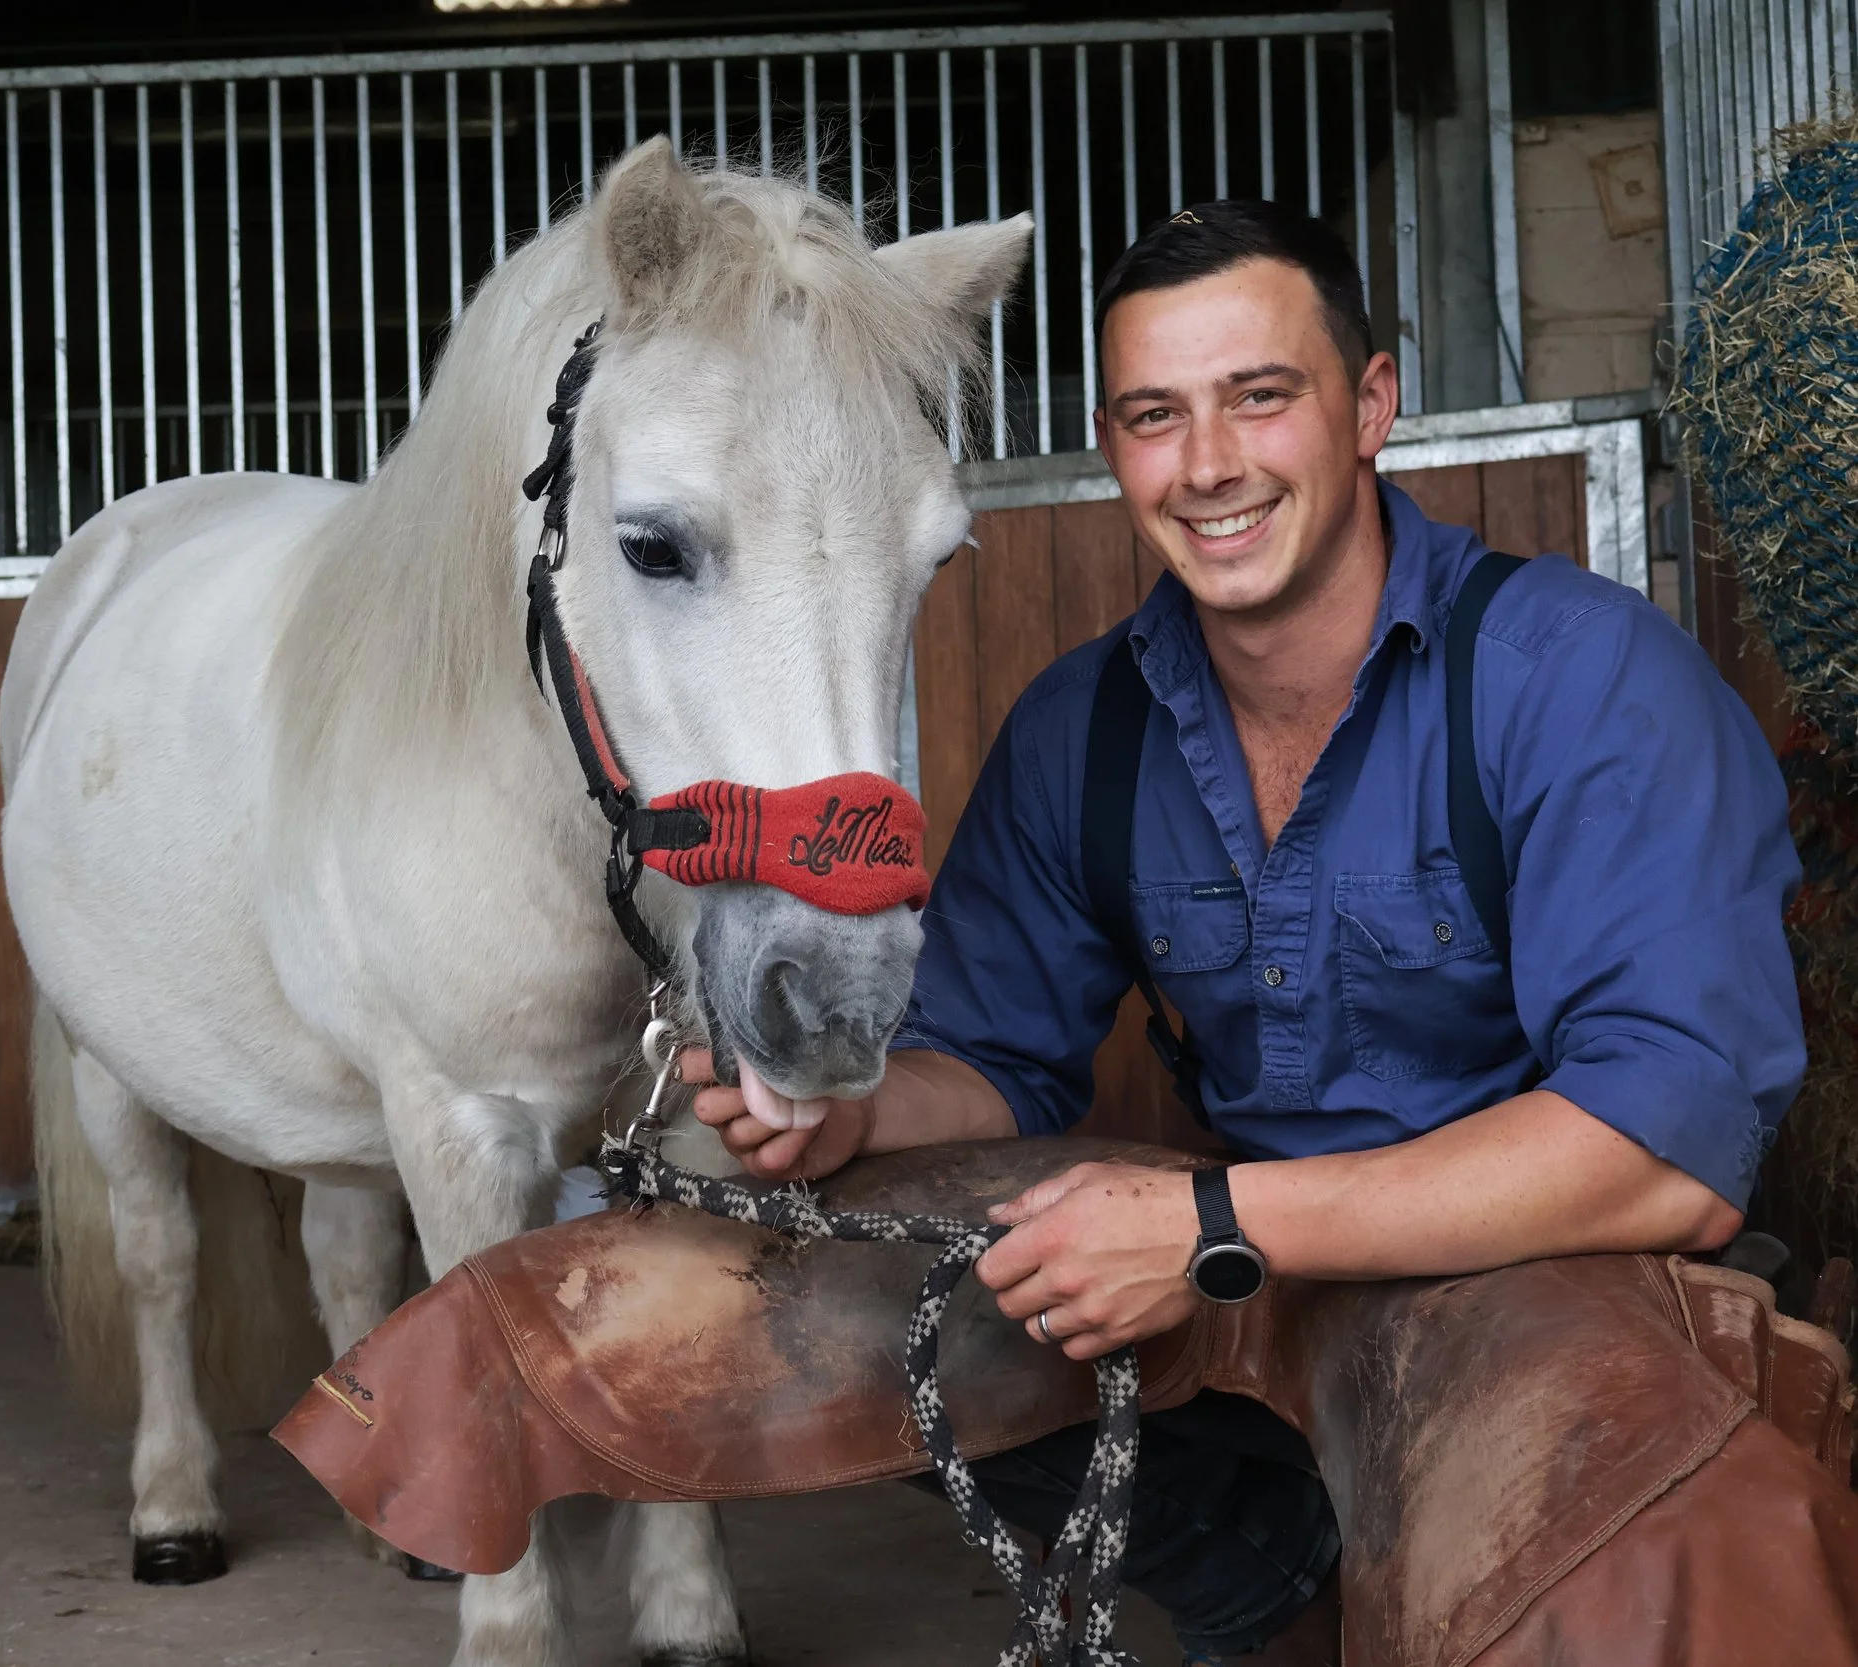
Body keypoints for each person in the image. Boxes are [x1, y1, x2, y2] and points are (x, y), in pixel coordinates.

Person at [683, 199, 1806, 1666]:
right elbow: (999, 1057)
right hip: (1264, 1283)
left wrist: (1213, 1229)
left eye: (1259, 396)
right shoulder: (1083, 729)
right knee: (847, 1305)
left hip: (1548, 1268)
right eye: (1156, 415)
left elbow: (1666, 1153)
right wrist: (852, 1117)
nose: (1208, 464)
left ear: (1372, 406)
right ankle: (1276, 1581)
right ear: (1112, 445)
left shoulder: (1585, 684)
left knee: (1649, 1545)